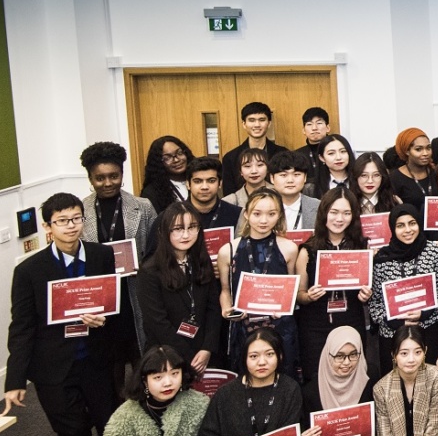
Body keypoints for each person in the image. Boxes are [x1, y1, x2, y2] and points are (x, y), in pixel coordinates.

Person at [4, 193, 120, 436]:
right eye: (62, 221)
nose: (71, 226)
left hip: (95, 359)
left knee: (109, 423)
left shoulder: (101, 256)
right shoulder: (29, 270)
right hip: (53, 366)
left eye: (76, 219)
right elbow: (22, 327)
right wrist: (15, 379)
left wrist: (104, 319)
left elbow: (113, 302)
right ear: (47, 227)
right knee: (73, 430)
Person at [79, 141, 157, 393]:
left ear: (122, 174)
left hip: (135, 293)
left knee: (141, 358)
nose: (108, 182)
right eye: (99, 178)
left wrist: (142, 267)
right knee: (107, 365)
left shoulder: (142, 206)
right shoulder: (80, 210)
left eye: (114, 176)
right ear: (90, 179)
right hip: (100, 298)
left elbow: (157, 249)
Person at [216, 188, 301, 380]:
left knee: (283, 380)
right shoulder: (228, 250)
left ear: (279, 215)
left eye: (271, 214)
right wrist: (227, 310)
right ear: (246, 214)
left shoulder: (289, 248)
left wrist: (286, 307)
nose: (264, 220)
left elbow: (291, 290)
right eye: (257, 214)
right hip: (245, 326)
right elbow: (225, 290)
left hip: (280, 327)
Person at [295, 188, 372, 381]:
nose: (340, 219)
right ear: (324, 214)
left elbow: (369, 288)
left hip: (351, 322)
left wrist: (366, 296)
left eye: (346, 213)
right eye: (334, 212)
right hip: (315, 327)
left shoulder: (362, 247)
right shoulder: (308, 250)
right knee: (317, 379)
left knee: (352, 378)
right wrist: (308, 296)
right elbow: (299, 295)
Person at [137, 202, 223, 374]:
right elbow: (157, 322)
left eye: (192, 227)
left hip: (203, 353)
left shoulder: (201, 262)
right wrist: (187, 356)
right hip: (166, 355)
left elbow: (213, 308)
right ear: (163, 232)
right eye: (177, 229)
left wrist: (207, 348)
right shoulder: (150, 271)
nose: (186, 235)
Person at [368, 204, 438, 373]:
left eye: (412, 223)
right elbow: (375, 304)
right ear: (392, 228)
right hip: (393, 335)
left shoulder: (432, 251)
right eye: (400, 225)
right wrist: (397, 321)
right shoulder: (382, 258)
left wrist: (423, 314)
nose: (407, 230)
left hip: (427, 330)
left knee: (429, 384)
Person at [221, 102, 285, 195]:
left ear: (269, 123)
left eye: (262, 120)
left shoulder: (282, 153)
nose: (257, 125)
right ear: (244, 124)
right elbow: (229, 194)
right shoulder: (230, 157)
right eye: (252, 120)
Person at [185, 156, 242, 233]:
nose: (204, 187)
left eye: (211, 181)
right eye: (197, 181)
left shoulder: (236, 214)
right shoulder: (172, 216)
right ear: (188, 184)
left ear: (220, 183)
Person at [140, 135, 193, 215]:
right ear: (158, 163)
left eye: (179, 153)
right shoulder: (152, 192)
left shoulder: (199, 179)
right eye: (167, 158)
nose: (176, 159)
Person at [389, 128, 438, 210]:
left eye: (428, 148)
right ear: (407, 151)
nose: (425, 153)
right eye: (418, 149)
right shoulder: (395, 178)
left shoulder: (436, 172)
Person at [269, 151, 320, 230]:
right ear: (272, 178)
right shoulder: (260, 207)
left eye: (296, 175)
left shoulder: (318, 207)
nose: (290, 180)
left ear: (305, 177)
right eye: (283, 175)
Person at [351, 151, 400, 216]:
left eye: (376, 175)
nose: (370, 181)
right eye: (364, 175)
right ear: (356, 177)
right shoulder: (347, 202)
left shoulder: (393, 202)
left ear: (383, 177)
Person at [297, 106, 333, 178]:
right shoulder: (297, 155)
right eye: (309, 124)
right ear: (303, 130)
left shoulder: (336, 151)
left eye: (319, 123)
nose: (314, 128)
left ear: (328, 128)